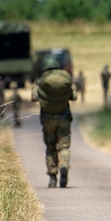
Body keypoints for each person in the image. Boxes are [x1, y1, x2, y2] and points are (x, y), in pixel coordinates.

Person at [31, 53, 77, 188]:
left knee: (50, 148)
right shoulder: (64, 79)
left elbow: (33, 97)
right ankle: (64, 166)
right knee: (64, 146)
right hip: (64, 118)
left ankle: (52, 177)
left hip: (47, 118)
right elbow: (74, 96)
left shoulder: (41, 81)